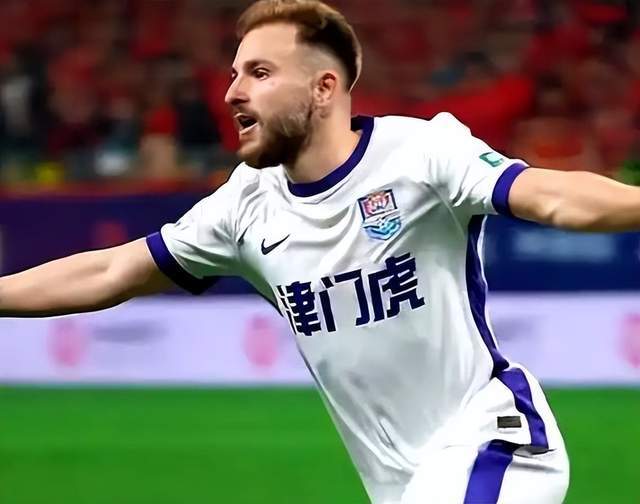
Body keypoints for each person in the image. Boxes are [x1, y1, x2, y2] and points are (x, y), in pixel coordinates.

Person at [1, 1, 638, 502]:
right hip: (406, 484)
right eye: (234, 74)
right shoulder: (243, 206)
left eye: (260, 73)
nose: (232, 92)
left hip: (494, 447)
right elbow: (112, 269)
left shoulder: (421, 154)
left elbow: (551, 195)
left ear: (324, 88)